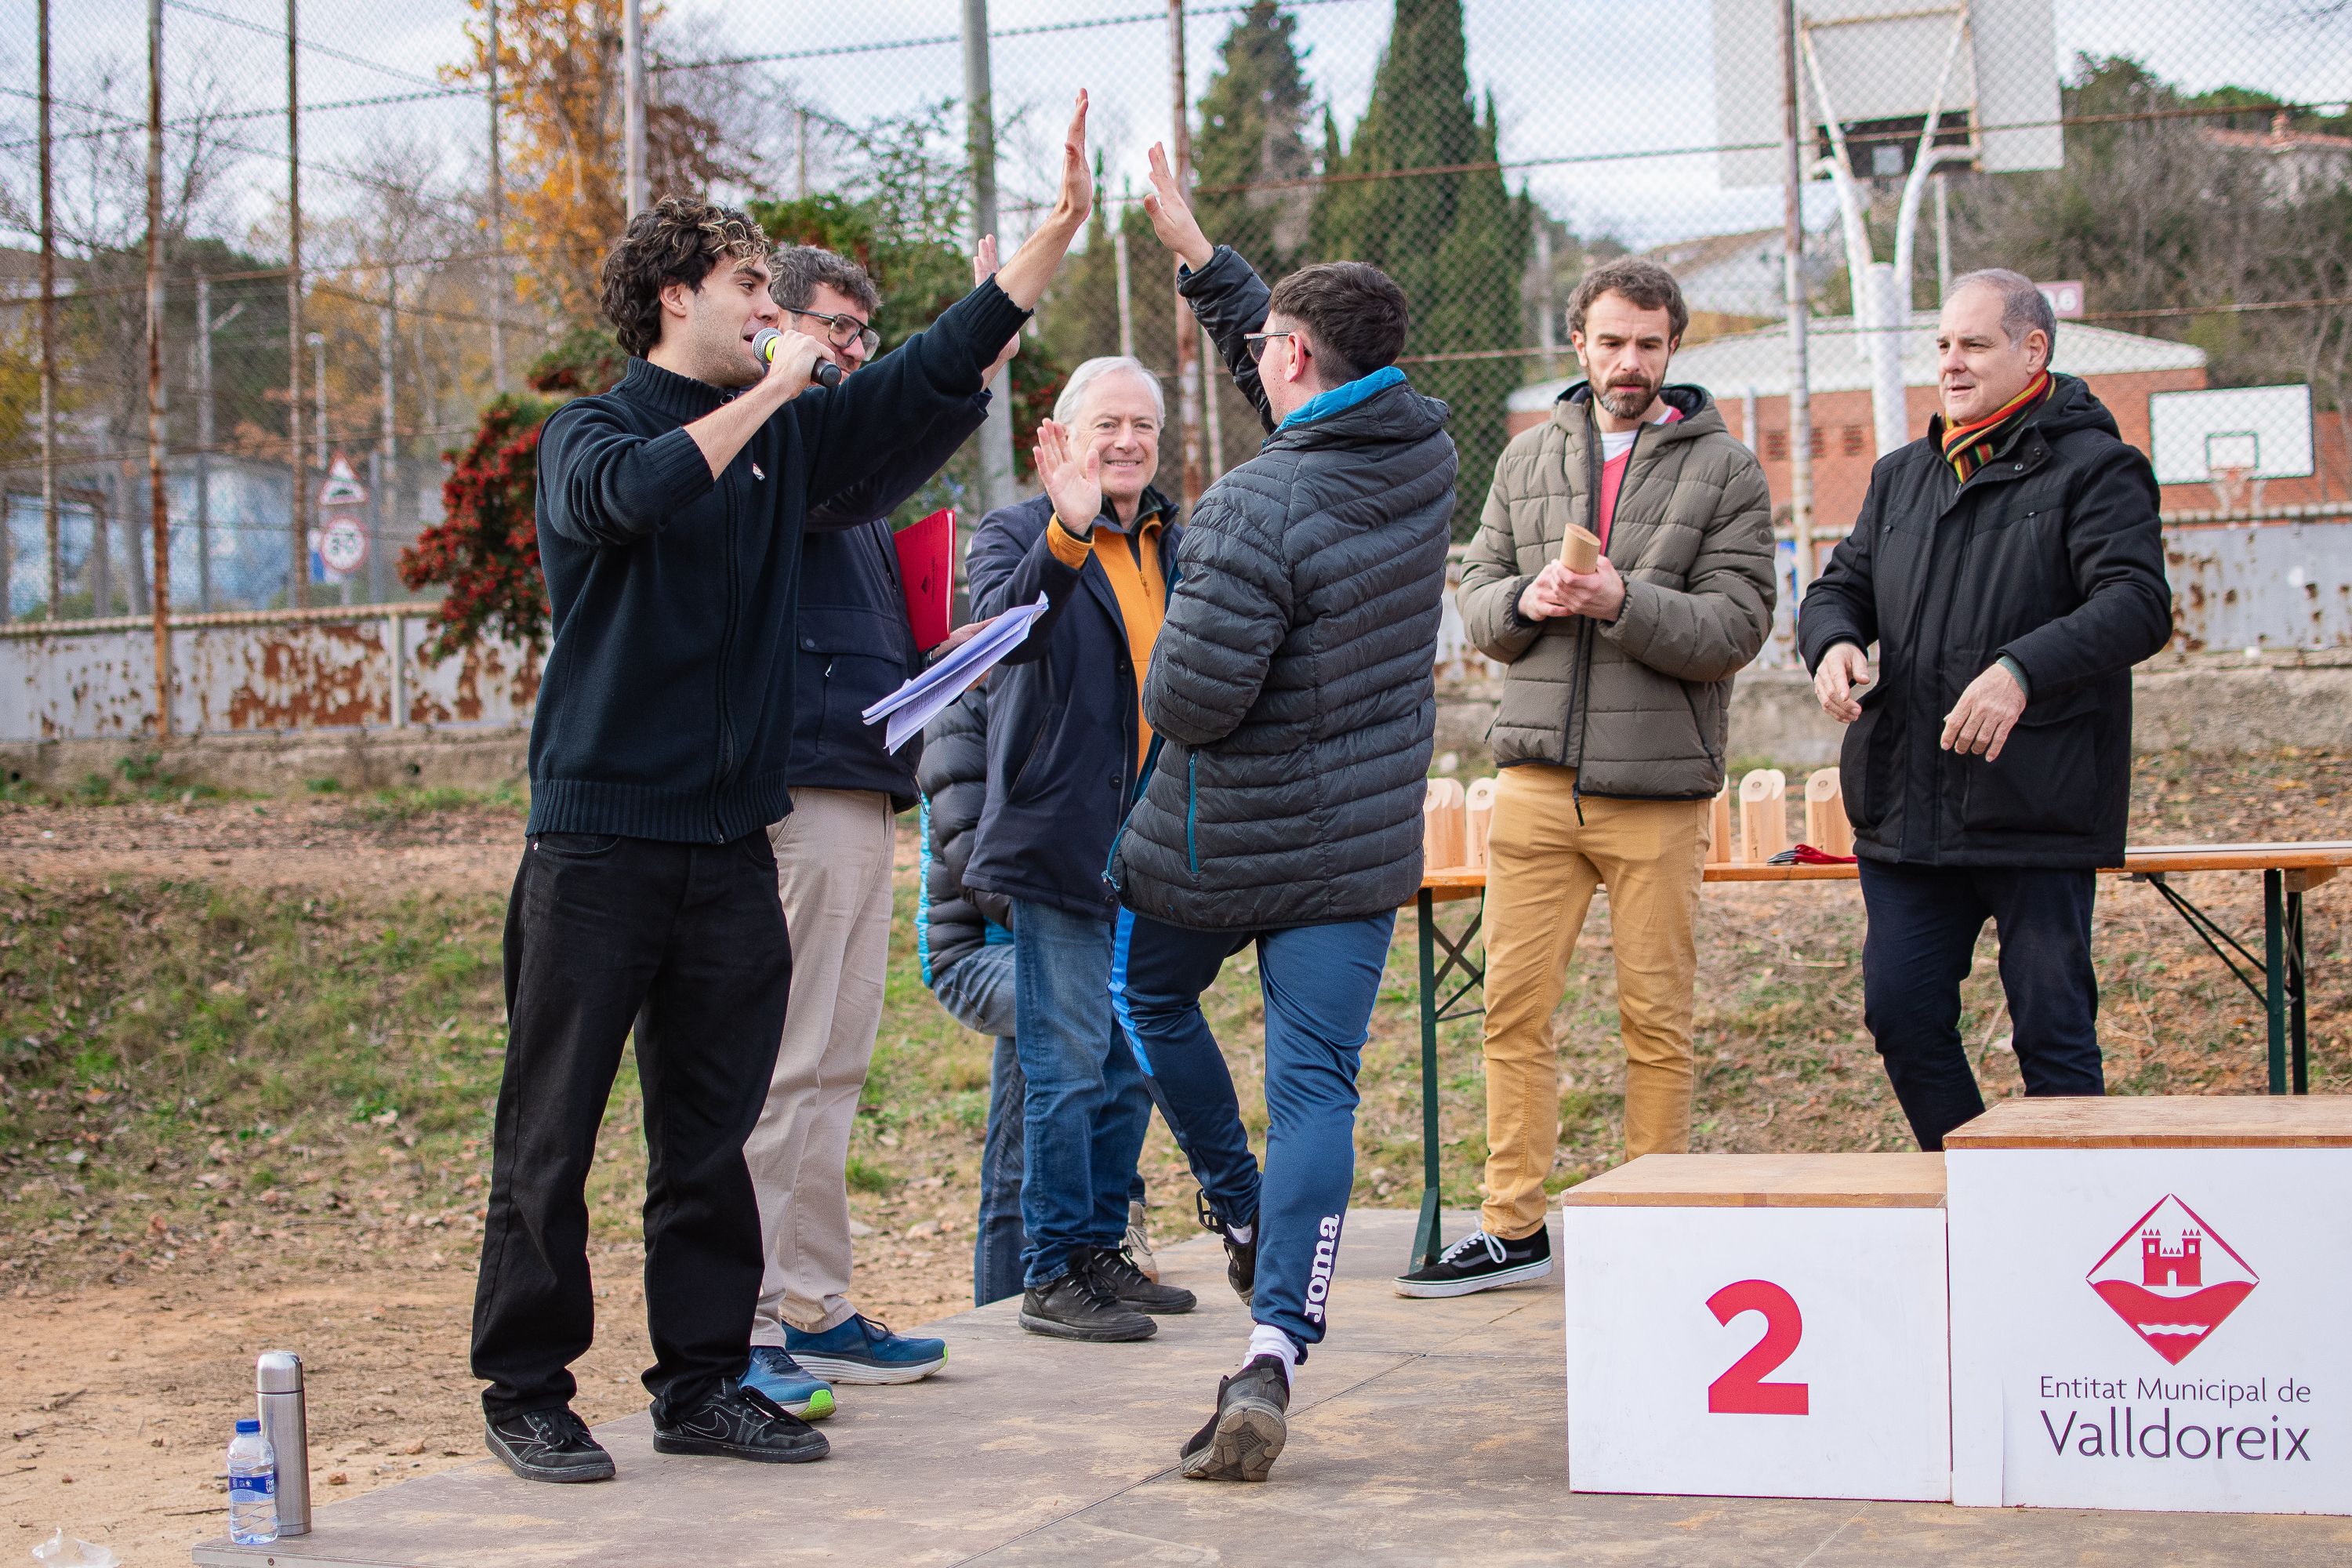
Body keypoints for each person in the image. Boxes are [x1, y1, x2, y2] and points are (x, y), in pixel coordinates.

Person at [468, 93, 1094, 1486]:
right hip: (596, 848)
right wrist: (773, 392)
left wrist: (1048, 242)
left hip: (729, 847)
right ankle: (525, 1389)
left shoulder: (786, 444)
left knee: (710, 1140)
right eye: (750, 287)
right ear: (676, 297)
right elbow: (632, 497)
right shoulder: (590, 433)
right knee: (550, 1136)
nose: (772, 310)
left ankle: (700, 1382)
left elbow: (924, 375)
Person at [1103, 143, 1456, 1483]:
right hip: (1353, 852)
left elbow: (1192, 702)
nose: (1262, 361)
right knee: (1317, 1085)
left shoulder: (1251, 505)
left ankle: (1236, 1202)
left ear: (1296, 359)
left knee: (1149, 995)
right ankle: (1274, 1348)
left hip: (1222, 845)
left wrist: (1160, 643)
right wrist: (1206, 260)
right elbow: (1302, 376)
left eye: (1269, 349)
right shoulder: (1423, 452)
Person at [1411, 256, 1777, 1300]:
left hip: (1657, 793)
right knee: (1511, 1014)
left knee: (1654, 1023)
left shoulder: (1727, 471)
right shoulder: (1528, 457)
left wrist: (1623, 601)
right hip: (1534, 785)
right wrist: (1525, 600)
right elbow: (1477, 594)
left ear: (1674, 348)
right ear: (1578, 341)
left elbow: (1739, 625)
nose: (1629, 362)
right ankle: (1511, 1226)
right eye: (1611, 342)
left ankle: (1653, 1226)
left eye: (1649, 344)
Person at [1800, 267, 2171, 1151]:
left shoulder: (2099, 468)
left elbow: (2137, 604)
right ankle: (1982, 1185)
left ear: (2033, 350)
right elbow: (1837, 589)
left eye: (1974, 344)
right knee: (1901, 1016)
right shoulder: (1901, 477)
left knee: (2054, 1035)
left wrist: (2021, 669)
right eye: (1942, 345)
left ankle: (2069, 1210)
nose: (1951, 363)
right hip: (1906, 808)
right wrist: (1835, 642)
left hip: (2034, 804)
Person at [737, 241, 1014, 1417]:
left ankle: (816, 1306)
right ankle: (745, 1322)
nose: (854, 351)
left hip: (861, 786)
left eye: (865, 332)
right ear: (776, 326)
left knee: (837, 1065)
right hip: (798, 793)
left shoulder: (840, 462)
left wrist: (932, 652)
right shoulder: (775, 434)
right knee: (786, 1067)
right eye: (836, 329)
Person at [964, 350, 1201, 1342]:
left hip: (1153, 848)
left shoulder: (1172, 541)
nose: (1128, 441)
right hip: (1058, 841)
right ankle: (1052, 1267)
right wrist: (1065, 532)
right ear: (1062, 436)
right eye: (1108, 424)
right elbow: (996, 639)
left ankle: (1100, 1245)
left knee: (1126, 1066)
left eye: (1143, 425)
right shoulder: (1018, 531)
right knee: (1063, 1066)